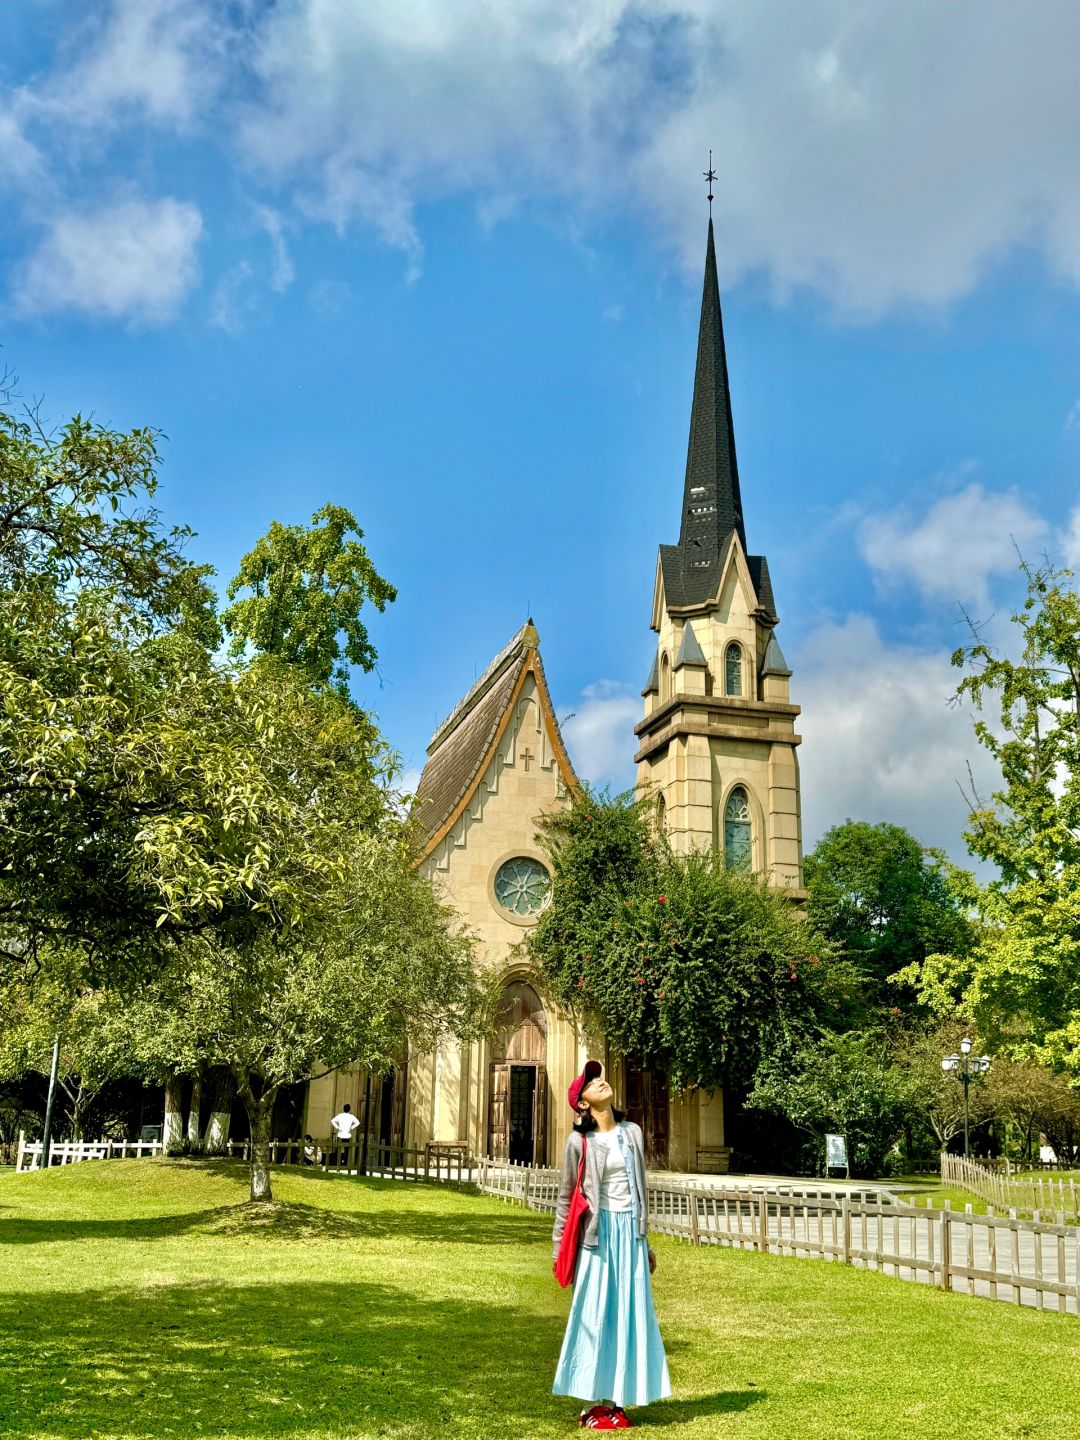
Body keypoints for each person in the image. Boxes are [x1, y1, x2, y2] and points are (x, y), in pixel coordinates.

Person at [551, 1060, 671, 1430]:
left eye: (601, 1078)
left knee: (628, 1314)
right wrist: (559, 1250)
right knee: (593, 1314)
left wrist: (644, 1241)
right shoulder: (579, 1141)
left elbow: (638, 1191)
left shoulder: (632, 1133)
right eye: (592, 1082)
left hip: (630, 1235)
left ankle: (617, 1402)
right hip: (596, 1237)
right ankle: (591, 1404)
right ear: (581, 1103)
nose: (601, 1082)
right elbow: (566, 1198)